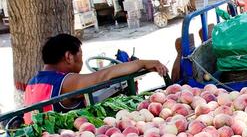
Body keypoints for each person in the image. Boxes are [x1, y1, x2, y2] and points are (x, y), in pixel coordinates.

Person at [23, 34, 168, 124]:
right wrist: (143, 63)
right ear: (69, 57)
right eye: (80, 54)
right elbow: (103, 76)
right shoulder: (65, 82)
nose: (81, 59)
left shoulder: (33, 82)